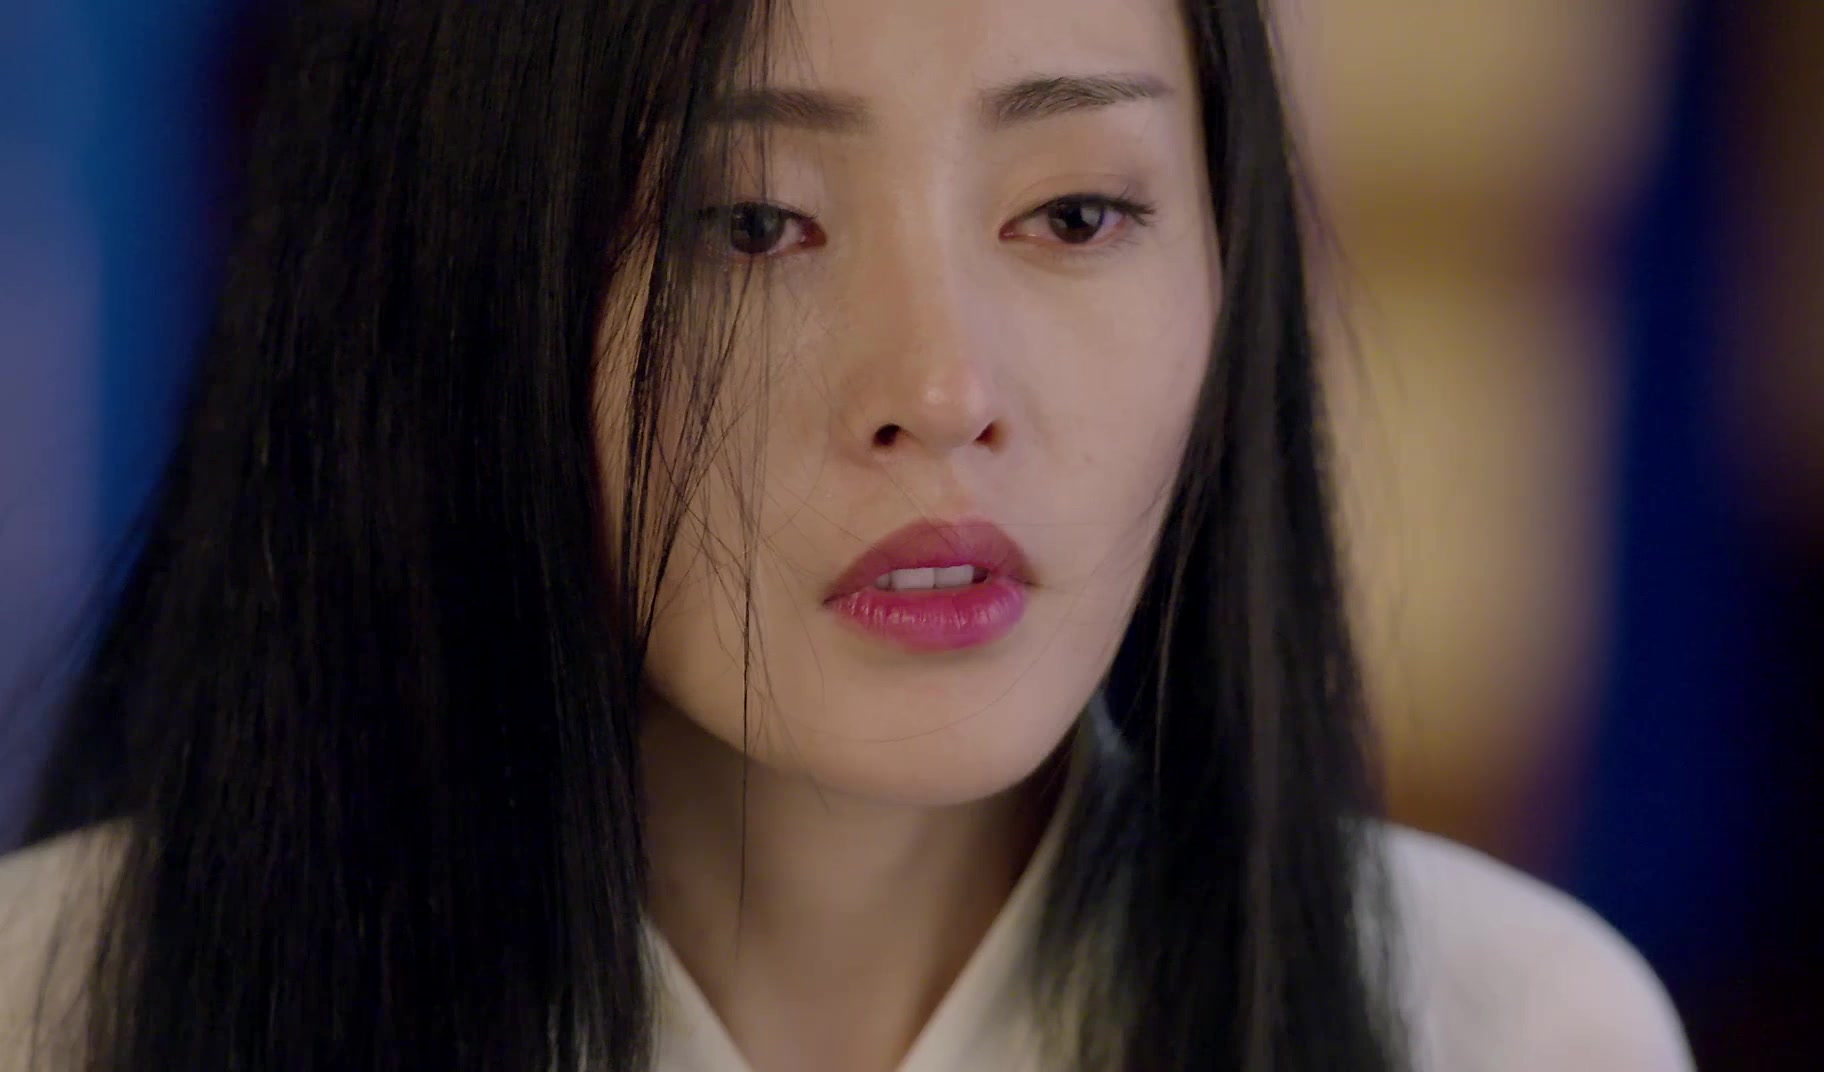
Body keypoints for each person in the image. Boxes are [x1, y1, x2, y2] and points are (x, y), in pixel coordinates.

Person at [0, 1, 1694, 1069]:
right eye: (751, 224)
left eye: (1075, 212)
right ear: (447, 271)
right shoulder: (60, 1011)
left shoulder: (1496, 1029)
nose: (942, 390)